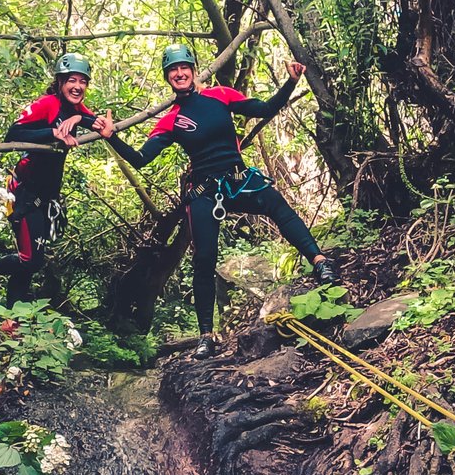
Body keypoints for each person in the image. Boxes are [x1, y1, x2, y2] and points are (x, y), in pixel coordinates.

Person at [111, 44, 337, 359]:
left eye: (183, 68)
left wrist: (290, 82)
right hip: (205, 191)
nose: (179, 73)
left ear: (193, 69)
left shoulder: (220, 96)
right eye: (172, 70)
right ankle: (206, 335)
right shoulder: (172, 120)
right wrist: (111, 135)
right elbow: (140, 159)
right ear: (168, 77)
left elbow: (264, 108)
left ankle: (320, 262)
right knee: (204, 259)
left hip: (237, 180)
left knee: (278, 207)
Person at [0, 52, 119, 306]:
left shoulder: (74, 108)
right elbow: (13, 133)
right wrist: (53, 133)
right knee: (30, 259)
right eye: (71, 80)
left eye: (83, 81)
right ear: (60, 82)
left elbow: (92, 121)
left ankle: (10, 320)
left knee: (30, 261)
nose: (77, 86)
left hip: (46, 197)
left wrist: (79, 118)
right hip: (25, 193)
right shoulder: (47, 104)